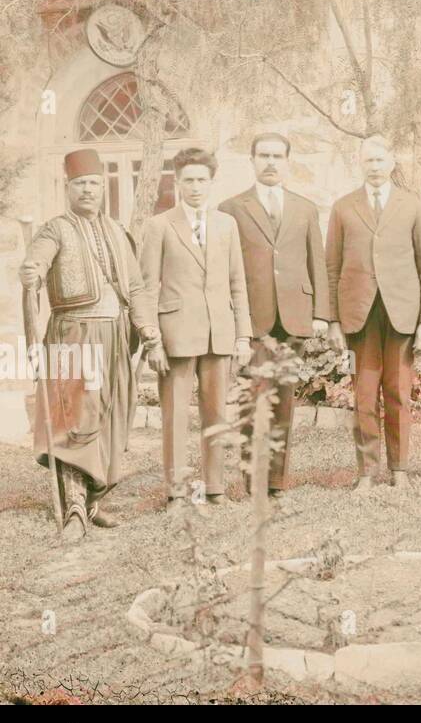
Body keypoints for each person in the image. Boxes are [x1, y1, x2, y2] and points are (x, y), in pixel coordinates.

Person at [19, 149, 159, 540]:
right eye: (80, 183)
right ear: (68, 188)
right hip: (73, 335)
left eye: (94, 183)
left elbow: (135, 287)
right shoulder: (54, 229)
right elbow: (37, 262)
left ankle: (95, 500)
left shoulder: (117, 232)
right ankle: (75, 506)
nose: (88, 190)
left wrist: (147, 328)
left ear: (103, 187)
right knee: (76, 418)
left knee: (113, 415)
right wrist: (31, 271)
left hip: (115, 336)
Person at [139, 146, 252, 509]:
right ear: (177, 182)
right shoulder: (159, 225)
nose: (196, 187)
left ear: (211, 182)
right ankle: (176, 493)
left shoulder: (226, 224)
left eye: (202, 180)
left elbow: (238, 283)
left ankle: (215, 489)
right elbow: (146, 286)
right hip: (175, 334)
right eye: (188, 180)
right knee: (174, 416)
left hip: (218, 333)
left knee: (216, 413)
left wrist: (243, 335)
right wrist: (152, 340)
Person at [218, 132, 330, 499]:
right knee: (255, 401)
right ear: (251, 160)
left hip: (294, 318)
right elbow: (227, 270)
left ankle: (277, 482)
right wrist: (235, 322)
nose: (270, 162)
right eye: (263, 155)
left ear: (287, 161)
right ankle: (253, 482)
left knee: (284, 403)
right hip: (254, 320)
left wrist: (321, 315)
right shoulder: (231, 209)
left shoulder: (305, 208)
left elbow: (318, 262)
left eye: (277, 156)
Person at [325, 135, 421, 491]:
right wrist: (333, 321)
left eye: (380, 160)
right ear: (360, 164)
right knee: (364, 394)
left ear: (392, 163)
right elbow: (332, 267)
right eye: (368, 161)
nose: (374, 167)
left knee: (398, 391)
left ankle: (400, 470)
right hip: (359, 316)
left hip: (400, 314)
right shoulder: (343, 207)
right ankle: (367, 472)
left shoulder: (412, 205)